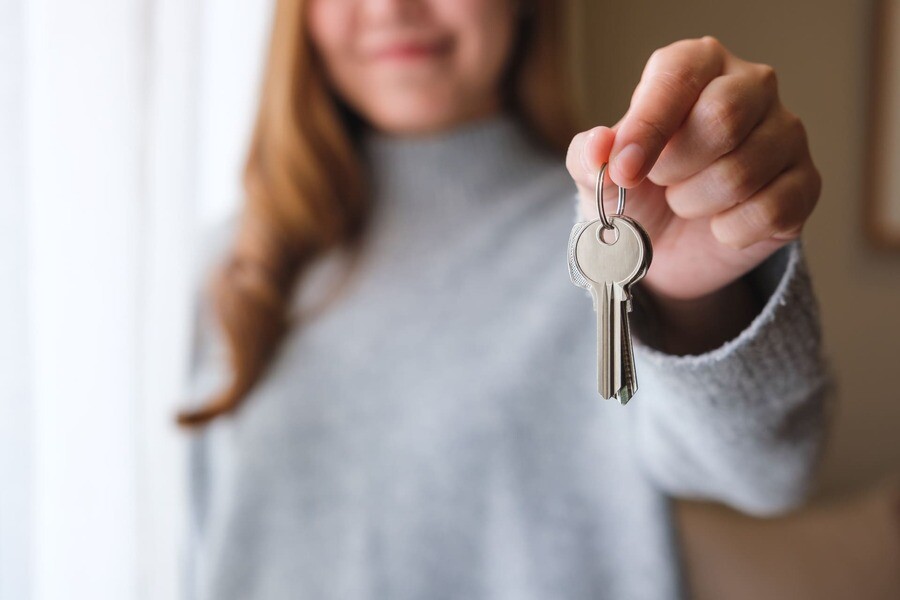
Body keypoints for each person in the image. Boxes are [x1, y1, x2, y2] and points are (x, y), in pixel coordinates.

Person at [179, 1, 831, 598]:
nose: (389, 9)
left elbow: (765, 477)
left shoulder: (625, 226)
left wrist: (696, 297)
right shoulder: (241, 259)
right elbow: (203, 548)